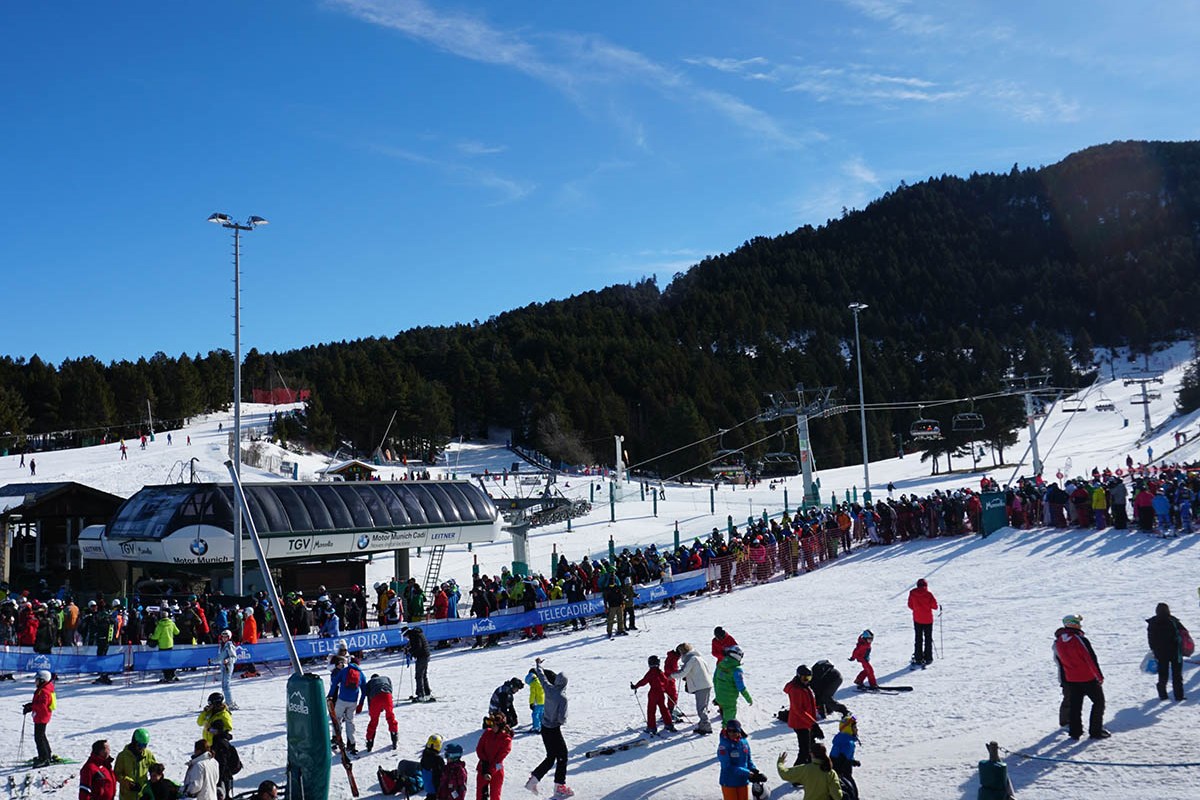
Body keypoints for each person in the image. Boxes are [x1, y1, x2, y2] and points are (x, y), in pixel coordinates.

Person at [1052, 614, 1110, 740]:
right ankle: (1095, 731)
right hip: (1087, 677)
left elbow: (1059, 661)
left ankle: (1075, 731)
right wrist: (1099, 676)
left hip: (1071, 679)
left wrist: (1064, 679)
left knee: (1075, 705)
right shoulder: (1079, 639)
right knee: (1098, 702)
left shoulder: (1058, 641)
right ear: (1075, 624)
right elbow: (1090, 658)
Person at [525, 658, 572, 798]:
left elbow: (541, 676)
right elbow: (562, 718)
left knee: (551, 756)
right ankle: (560, 786)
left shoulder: (549, 689)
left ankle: (533, 780)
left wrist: (538, 665)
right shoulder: (563, 698)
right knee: (563, 755)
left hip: (544, 727)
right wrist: (562, 720)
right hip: (554, 729)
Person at [1147, 602, 1187, 701]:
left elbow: (1151, 639)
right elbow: (1184, 632)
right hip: (1175, 652)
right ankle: (1179, 696)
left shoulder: (1153, 623)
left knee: (1163, 675)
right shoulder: (1173, 621)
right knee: (1177, 675)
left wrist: (1154, 650)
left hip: (1160, 653)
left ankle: (1162, 694)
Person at [775, 743, 843, 799]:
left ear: (812, 754)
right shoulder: (830, 772)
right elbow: (837, 796)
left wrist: (780, 763)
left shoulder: (805, 769)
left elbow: (784, 774)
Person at [327, 655, 366, 754]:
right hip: (353, 702)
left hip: (341, 700)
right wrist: (360, 704)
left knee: (337, 719)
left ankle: (335, 739)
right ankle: (351, 744)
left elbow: (335, 683)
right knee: (350, 721)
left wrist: (330, 695)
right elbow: (364, 691)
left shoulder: (344, 671)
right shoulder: (361, 674)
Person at [717, 720, 764, 800]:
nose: (731, 733)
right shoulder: (724, 745)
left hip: (743, 781)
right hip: (729, 782)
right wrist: (748, 773)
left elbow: (748, 760)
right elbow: (728, 767)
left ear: (739, 730)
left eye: (734, 731)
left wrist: (754, 770)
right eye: (729, 731)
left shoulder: (744, 742)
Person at [631, 655, 676, 735]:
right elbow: (666, 681)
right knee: (663, 708)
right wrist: (664, 688)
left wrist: (635, 686)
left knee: (651, 710)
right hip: (661, 693)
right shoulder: (660, 672)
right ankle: (669, 724)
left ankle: (651, 727)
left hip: (653, 693)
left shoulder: (651, 672)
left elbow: (644, 681)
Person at [675, 642, 714, 734]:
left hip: (701, 686)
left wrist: (671, 675)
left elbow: (683, 672)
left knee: (701, 708)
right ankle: (702, 725)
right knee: (704, 707)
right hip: (706, 684)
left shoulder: (691, 660)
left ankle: (706, 727)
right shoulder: (698, 658)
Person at [784, 665, 818, 766]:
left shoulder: (803, 686)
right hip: (800, 723)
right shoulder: (796, 690)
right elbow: (798, 710)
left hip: (806, 722)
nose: (807, 681)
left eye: (809, 678)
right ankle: (796, 774)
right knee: (805, 750)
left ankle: (811, 768)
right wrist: (813, 723)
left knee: (811, 746)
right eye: (804, 678)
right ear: (799, 677)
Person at [475, 713, 512, 800]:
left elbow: (499, 759)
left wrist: (490, 772)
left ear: (500, 726)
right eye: (491, 724)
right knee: (480, 795)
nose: (492, 727)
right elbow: (479, 749)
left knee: (495, 795)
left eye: (494, 725)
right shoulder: (487, 733)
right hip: (483, 768)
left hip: (496, 771)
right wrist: (484, 764)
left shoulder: (506, 740)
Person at [713, 645, 753, 723]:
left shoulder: (720, 664)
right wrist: (748, 699)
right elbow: (741, 687)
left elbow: (715, 680)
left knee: (725, 717)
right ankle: (726, 733)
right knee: (729, 722)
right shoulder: (736, 670)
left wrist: (717, 694)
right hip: (729, 700)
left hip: (719, 697)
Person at [114, 728, 156, 800]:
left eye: (144, 745)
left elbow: (154, 769)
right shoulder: (123, 756)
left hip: (142, 795)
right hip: (127, 796)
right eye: (139, 745)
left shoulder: (148, 754)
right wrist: (128, 783)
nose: (141, 748)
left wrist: (157, 769)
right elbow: (117, 774)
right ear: (134, 742)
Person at [24, 669, 56, 766]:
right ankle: (47, 754)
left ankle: (44, 758)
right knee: (41, 736)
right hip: (41, 715)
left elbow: (42, 705)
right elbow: (39, 703)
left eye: (37, 680)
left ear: (42, 680)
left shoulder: (44, 691)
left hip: (42, 716)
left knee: (39, 737)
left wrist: (31, 707)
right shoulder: (43, 689)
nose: (35, 682)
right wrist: (31, 705)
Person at [360, 672, 399, 751]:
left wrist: (372, 711)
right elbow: (390, 690)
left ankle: (370, 742)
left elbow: (369, 699)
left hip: (375, 698)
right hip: (387, 696)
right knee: (390, 717)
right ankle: (394, 736)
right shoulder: (386, 678)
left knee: (373, 721)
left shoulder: (370, 683)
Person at [907, 578, 939, 666]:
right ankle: (928, 657)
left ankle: (918, 657)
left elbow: (910, 605)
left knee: (918, 638)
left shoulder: (912, 593)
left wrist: (917, 610)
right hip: (928, 620)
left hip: (917, 619)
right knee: (928, 638)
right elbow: (935, 606)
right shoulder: (928, 594)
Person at [208, 722, 242, 800]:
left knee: (223, 795)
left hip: (224, 774)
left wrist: (219, 778)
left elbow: (222, 762)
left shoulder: (220, 743)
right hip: (225, 773)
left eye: (213, 730)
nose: (211, 732)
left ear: (218, 731)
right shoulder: (220, 740)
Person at [403, 626, 433, 701]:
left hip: (422, 656)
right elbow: (414, 644)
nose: (406, 638)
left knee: (418, 676)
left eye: (405, 636)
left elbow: (417, 647)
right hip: (425, 655)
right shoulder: (415, 633)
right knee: (423, 675)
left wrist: (410, 652)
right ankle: (427, 692)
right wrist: (408, 648)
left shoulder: (413, 635)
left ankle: (421, 695)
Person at [150, 612, 180, 682]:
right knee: (169, 660)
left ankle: (167, 676)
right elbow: (177, 632)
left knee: (163, 661)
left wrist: (151, 636)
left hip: (162, 646)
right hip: (170, 645)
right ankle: (172, 674)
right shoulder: (172, 623)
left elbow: (156, 637)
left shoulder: (159, 625)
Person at [829, 714, 860, 783]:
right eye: (854, 727)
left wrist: (852, 761)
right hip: (843, 773)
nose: (857, 729)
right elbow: (842, 758)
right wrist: (840, 773)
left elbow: (839, 754)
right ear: (849, 729)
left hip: (834, 769)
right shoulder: (848, 743)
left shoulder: (841, 738)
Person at [216, 630, 239, 711]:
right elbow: (220, 658)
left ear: (229, 637)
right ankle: (228, 701)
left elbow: (234, 657)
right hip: (223, 667)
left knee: (226, 685)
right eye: (223, 637)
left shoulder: (229, 645)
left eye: (226, 637)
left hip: (228, 667)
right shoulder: (222, 645)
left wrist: (228, 660)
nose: (224, 638)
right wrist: (212, 661)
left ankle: (230, 703)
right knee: (224, 685)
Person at [420, 735, 446, 800]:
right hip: (435, 789)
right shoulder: (438, 760)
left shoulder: (424, 756)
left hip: (428, 788)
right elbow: (440, 775)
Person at [525, 669, 545, 734]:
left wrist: (531, 703)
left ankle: (536, 727)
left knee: (535, 714)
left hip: (537, 702)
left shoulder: (533, 684)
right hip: (543, 701)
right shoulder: (540, 681)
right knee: (541, 714)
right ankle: (542, 726)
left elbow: (532, 694)